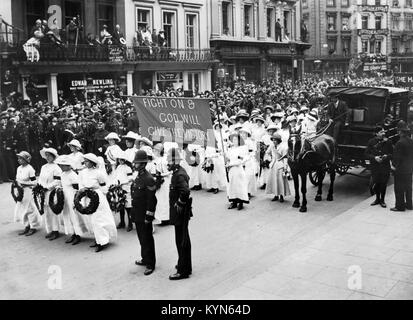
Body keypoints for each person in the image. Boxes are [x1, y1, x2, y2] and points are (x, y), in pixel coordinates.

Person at [79, 153, 117, 252]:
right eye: (85, 161)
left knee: (98, 219)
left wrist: (101, 196)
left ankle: (102, 241)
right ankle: (97, 239)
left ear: (92, 163)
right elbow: (81, 184)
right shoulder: (83, 172)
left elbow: (104, 186)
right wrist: (83, 194)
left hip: (97, 196)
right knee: (92, 220)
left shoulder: (98, 173)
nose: (85, 163)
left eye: (87, 161)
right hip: (87, 196)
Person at [167, 148, 192, 280]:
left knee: (181, 240)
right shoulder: (177, 172)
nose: (167, 163)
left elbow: (185, 191)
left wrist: (180, 203)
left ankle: (183, 271)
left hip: (180, 212)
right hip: (180, 212)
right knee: (183, 239)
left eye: (169, 160)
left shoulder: (179, 175)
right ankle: (185, 265)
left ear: (175, 161)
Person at [131, 150, 157, 276]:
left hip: (145, 214)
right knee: (141, 238)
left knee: (147, 239)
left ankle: (151, 263)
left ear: (142, 164)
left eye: (136, 163)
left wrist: (149, 215)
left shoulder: (148, 178)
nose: (134, 165)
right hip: (137, 213)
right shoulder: (139, 176)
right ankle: (145, 258)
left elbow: (152, 200)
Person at [55, 155, 88, 245]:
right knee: (67, 215)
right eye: (60, 165)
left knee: (74, 216)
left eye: (63, 165)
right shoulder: (62, 174)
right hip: (65, 196)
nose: (61, 167)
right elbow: (62, 184)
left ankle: (78, 234)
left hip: (72, 196)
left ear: (68, 165)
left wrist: (75, 200)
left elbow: (76, 188)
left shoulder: (72, 175)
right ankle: (73, 233)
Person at [14, 151, 41, 236]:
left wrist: (25, 184)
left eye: (21, 158)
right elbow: (17, 179)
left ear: (26, 160)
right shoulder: (19, 168)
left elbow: (35, 182)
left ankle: (33, 226)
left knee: (29, 208)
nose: (19, 160)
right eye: (18, 158)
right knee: (22, 208)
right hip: (21, 191)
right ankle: (27, 225)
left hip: (28, 191)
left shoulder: (30, 169)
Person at [365, 126, 393, 208]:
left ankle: (382, 200)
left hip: (385, 166)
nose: (383, 133)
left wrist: (386, 156)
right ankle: (377, 199)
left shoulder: (388, 142)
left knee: (383, 184)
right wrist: (374, 158)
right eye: (381, 132)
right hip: (375, 166)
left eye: (384, 131)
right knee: (376, 182)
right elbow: (366, 154)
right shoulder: (371, 142)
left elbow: (392, 154)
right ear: (376, 133)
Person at [38, 147, 62, 240]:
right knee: (46, 211)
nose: (48, 157)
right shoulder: (43, 167)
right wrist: (40, 187)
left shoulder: (56, 168)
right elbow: (40, 178)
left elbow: (57, 181)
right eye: (46, 155)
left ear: (53, 157)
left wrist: (47, 187)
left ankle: (56, 230)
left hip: (52, 192)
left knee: (52, 210)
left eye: (49, 155)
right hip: (43, 192)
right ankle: (50, 230)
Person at [391, 121, 413, 212]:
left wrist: (393, 166)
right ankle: (409, 204)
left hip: (400, 170)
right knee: (408, 187)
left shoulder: (399, 143)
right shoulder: (411, 141)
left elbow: (397, 158)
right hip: (409, 169)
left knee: (399, 188)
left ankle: (400, 206)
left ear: (400, 132)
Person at [226, 131, 249, 210]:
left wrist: (230, 164)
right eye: (233, 139)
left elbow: (241, 160)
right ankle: (234, 202)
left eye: (236, 139)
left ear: (239, 140)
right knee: (232, 185)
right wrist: (227, 161)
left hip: (238, 169)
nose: (234, 141)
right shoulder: (230, 149)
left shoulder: (242, 149)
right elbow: (228, 158)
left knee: (239, 185)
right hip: (231, 170)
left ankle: (240, 202)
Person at [265, 133, 290, 202]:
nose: (274, 141)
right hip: (273, 164)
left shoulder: (283, 147)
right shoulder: (271, 146)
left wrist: (285, 168)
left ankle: (281, 195)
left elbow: (285, 158)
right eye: (273, 140)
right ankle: (275, 195)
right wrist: (269, 158)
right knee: (273, 180)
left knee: (280, 181)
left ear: (279, 141)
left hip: (280, 165)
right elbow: (267, 152)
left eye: (275, 140)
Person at [113, 151, 134, 231]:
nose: (120, 161)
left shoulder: (128, 168)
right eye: (119, 159)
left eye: (122, 159)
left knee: (128, 207)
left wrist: (122, 183)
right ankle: (122, 222)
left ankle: (130, 223)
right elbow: (116, 177)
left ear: (125, 160)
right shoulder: (118, 167)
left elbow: (130, 179)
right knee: (120, 206)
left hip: (126, 188)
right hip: (119, 189)